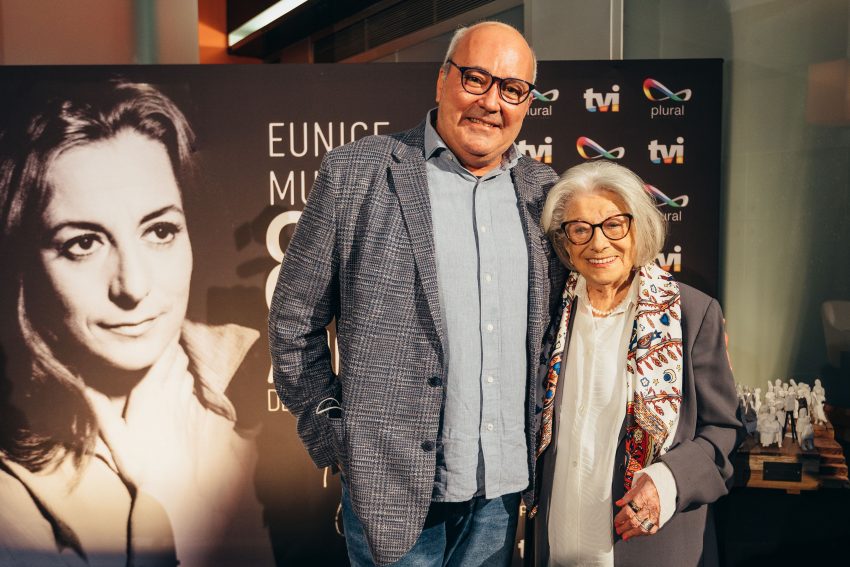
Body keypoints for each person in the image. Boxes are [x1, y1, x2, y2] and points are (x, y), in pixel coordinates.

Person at [269, 21, 565, 567]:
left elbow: (562, 327)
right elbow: (293, 321)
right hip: (390, 489)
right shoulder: (356, 173)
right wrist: (335, 436)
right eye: (475, 79)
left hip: (501, 493)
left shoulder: (545, 193)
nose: (490, 102)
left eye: (511, 89)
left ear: (527, 103)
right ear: (442, 79)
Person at [0, 80, 273, 566]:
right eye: (83, 243)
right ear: (24, 266)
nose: (133, 285)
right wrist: (162, 518)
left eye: (160, 231)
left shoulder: (263, 384)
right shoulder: (11, 497)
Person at [530, 161, 743, 566]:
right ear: (565, 242)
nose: (598, 243)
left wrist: (668, 481)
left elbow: (724, 432)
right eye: (580, 229)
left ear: (639, 228)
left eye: (614, 225)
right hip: (556, 547)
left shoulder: (692, 313)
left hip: (650, 549)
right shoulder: (547, 314)